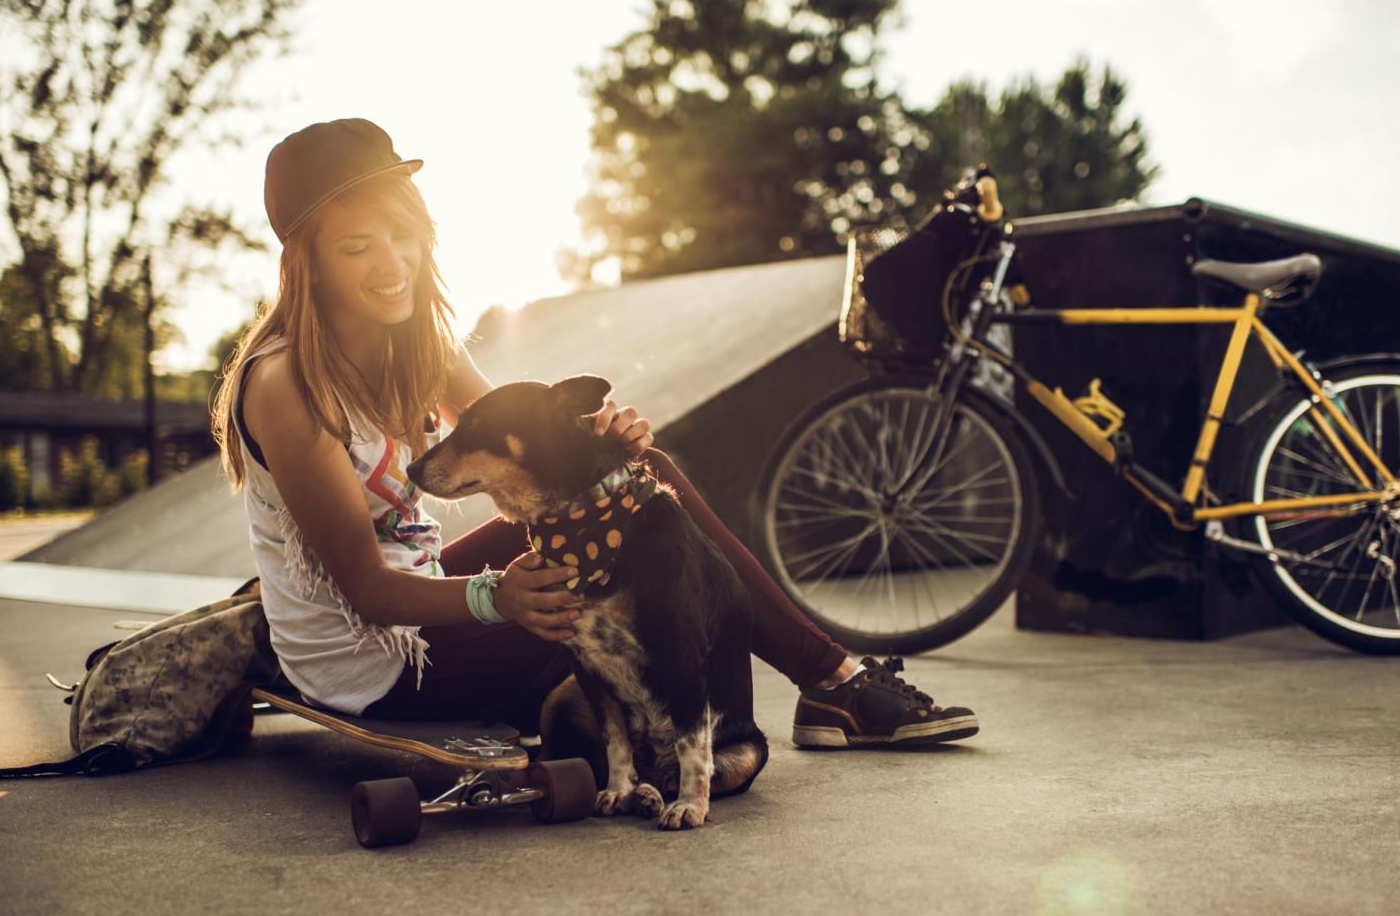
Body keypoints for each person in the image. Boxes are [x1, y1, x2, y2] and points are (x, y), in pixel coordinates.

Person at [210, 118, 978, 749]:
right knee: (591, 586)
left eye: (401, 235)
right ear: (306, 262)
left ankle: (831, 680)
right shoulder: (285, 385)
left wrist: (599, 439)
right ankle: (658, 705)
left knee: (643, 479)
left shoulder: (415, 343)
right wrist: (495, 597)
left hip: (433, 592)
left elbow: (527, 438)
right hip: (370, 659)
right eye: (357, 247)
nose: (392, 263)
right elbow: (368, 590)